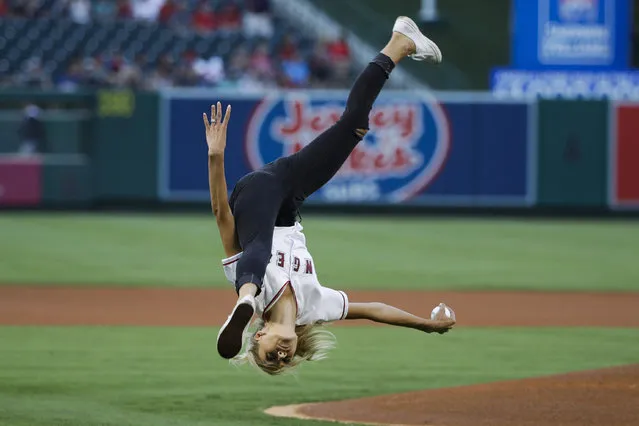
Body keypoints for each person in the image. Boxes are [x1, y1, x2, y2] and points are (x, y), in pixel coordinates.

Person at [204, 16, 454, 375]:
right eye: (285, 360)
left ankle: (241, 303)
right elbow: (373, 310)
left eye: (270, 354)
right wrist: (425, 325)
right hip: (289, 198)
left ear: (259, 336)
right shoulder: (315, 306)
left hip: (256, 193)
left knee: (256, 255)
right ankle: (400, 42)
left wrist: (215, 158)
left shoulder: (257, 294)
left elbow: (221, 214)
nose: (281, 355)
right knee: (353, 126)